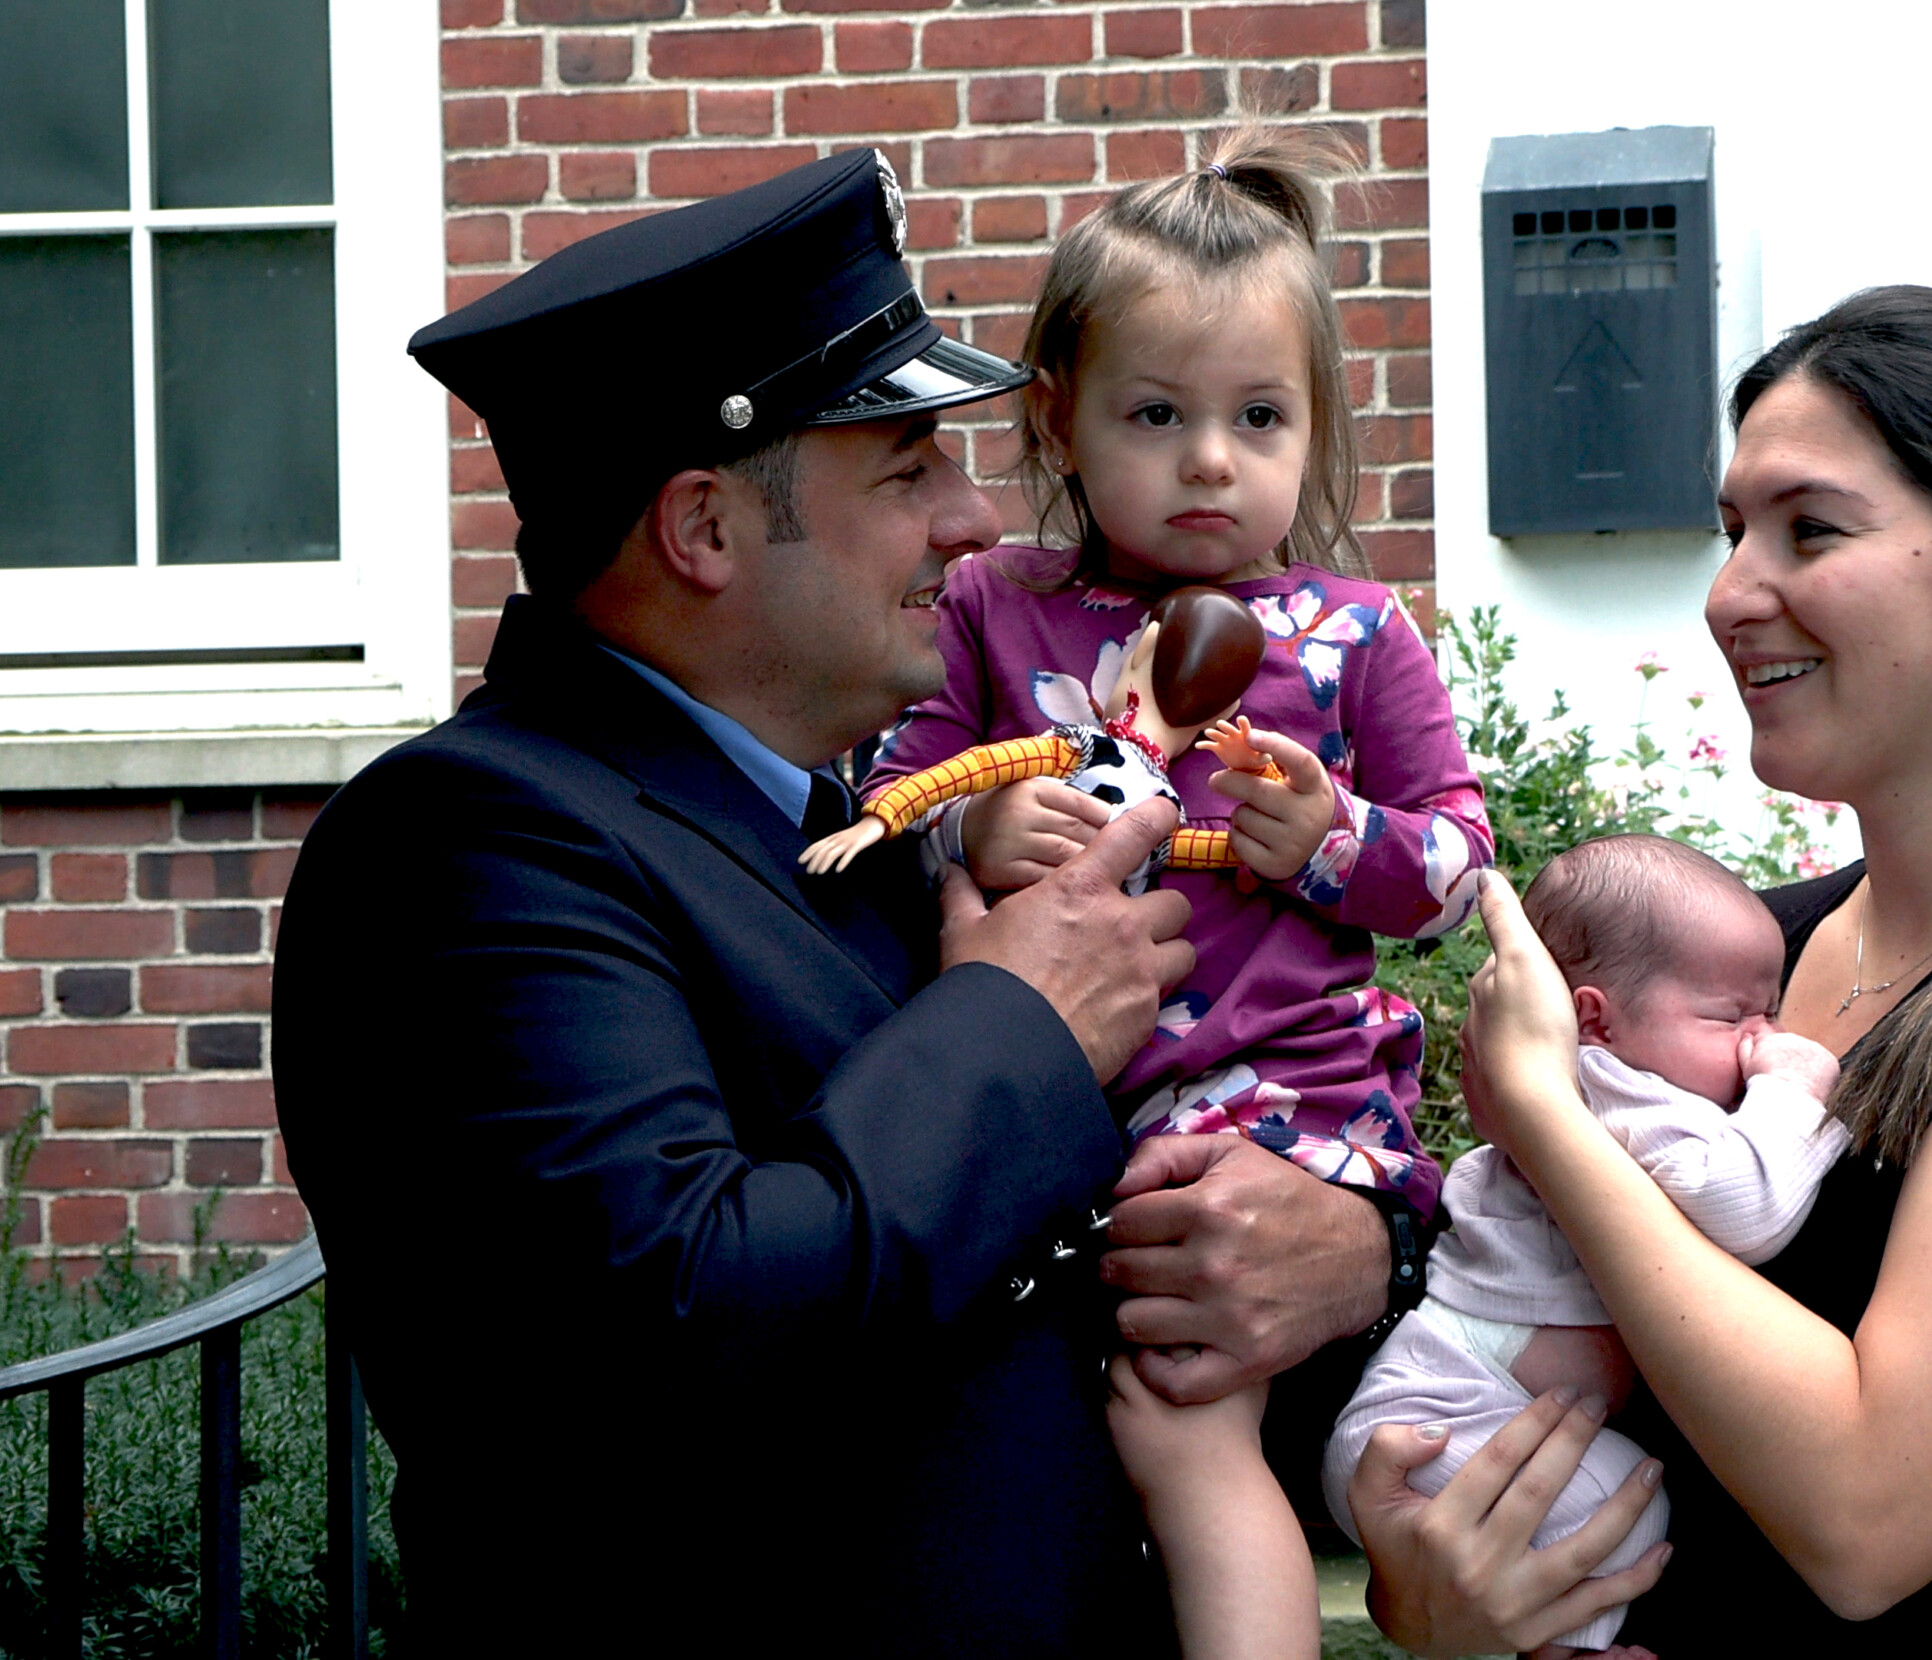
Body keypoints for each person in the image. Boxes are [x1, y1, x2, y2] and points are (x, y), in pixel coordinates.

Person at [271, 150, 1403, 1654]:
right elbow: (687, 1319)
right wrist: (1021, 1021)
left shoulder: (851, 831)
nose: (973, 521)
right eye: (908, 468)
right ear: (706, 531)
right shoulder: (466, 847)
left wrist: (1354, 1255)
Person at [1345, 286, 1932, 1658]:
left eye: (1812, 528)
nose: (1734, 592)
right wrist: (1450, 1597)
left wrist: (1553, 1118)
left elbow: (1865, 1518)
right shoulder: (1751, 958)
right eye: (1735, 529)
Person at [862, 125, 1491, 1660]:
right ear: (1063, 421)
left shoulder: (1353, 637)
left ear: (1316, 427)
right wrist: (978, 822)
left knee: (1177, 1412)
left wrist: (1335, 839)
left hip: (1281, 1102)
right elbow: (888, 785)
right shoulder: (993, 604)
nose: (1212, 460)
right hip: (1052, 1112)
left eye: (1259, 416)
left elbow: (1460, 866)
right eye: (1159, 413)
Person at [1322, 834, 1847, 1656]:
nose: (1757, 1038)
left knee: (1610, 1505)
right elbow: (1748, 1210)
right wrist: (1793, 1089)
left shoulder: (1609, 1082)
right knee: (1623, 1506)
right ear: (1595, 1017)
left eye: (1769, 1013)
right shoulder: (1615, 1088)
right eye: (1730, 1016)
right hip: (1443, 1414)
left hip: (1445, 1418)